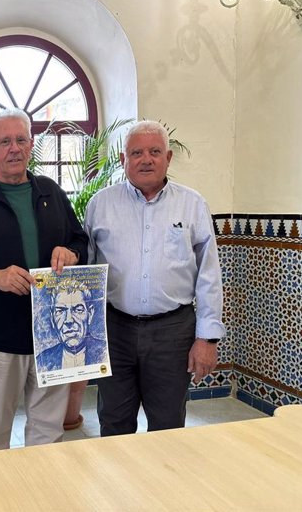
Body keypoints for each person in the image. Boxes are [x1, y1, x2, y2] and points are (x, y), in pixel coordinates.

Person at [0, 107, 89, 452]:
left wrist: (70, 253)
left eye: (21, 139)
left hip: (52, 333)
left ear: (31, 144)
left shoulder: (51, 193)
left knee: (49, 431)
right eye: (4, 141)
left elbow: (78, 240)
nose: (14, 148)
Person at [84, 120, 225, 437]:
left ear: (168, 158)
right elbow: (86, 274)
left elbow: (209, 277)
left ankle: (164, 486)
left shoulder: (192, 205)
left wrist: (207, 338)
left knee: (168, 425)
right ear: (123, 160)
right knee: (114, 421)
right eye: (136, 152)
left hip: (172, 332)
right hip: (114, 330)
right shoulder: (100, 205)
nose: (145, 159)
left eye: (154, 152)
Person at [36, 284, 107, 372]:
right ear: (52, 317)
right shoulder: (42, 361)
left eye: (78, 310)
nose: (68, 320)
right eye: (60, 311)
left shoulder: (105, 352)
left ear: (90, 314)